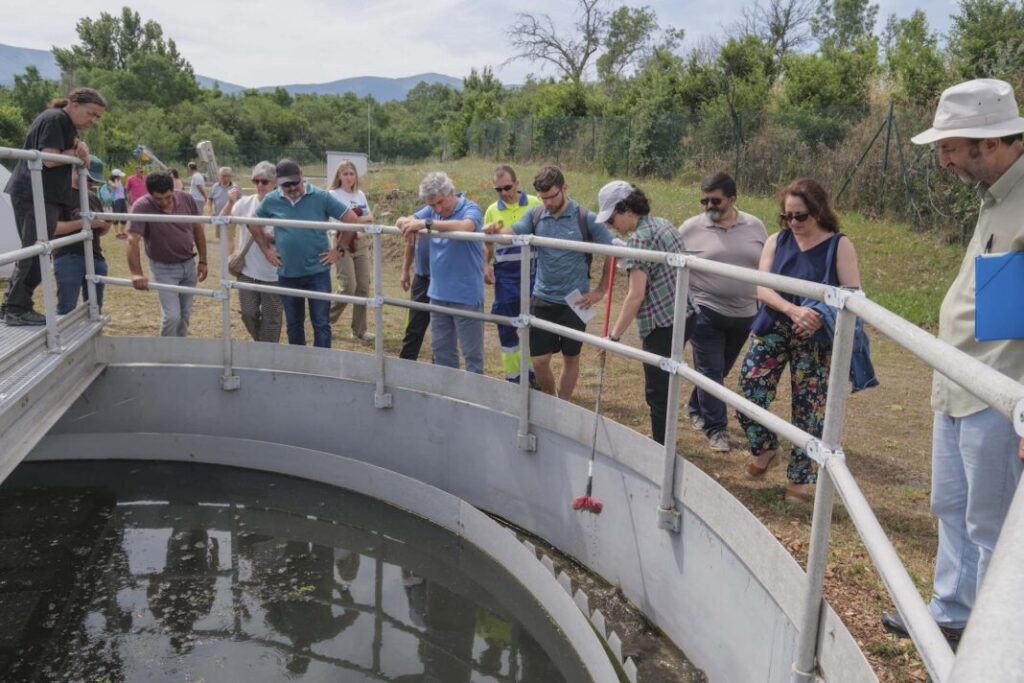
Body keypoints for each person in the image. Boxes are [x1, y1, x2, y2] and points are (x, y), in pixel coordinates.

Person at [880, 78, 1024, 645]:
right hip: (958, 380)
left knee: (991, 522)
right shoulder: (997, 197)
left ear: (987, 144)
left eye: (948, 147)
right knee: (952, 504)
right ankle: (952, 609)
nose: (942, 161)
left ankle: (994, 640)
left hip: (999, 391)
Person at [737, 178, 861, 503]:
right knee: (750, 389)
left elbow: (852, 294)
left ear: (818, 211)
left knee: (810, 408)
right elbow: (762, 287)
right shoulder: (777, 241)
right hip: (775, 325)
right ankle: (764, 450)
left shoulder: (839, 245)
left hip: (815, 336)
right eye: (787, 216)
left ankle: (800, 480)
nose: (793, 223)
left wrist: (820, 314)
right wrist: (792, 310)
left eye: (800, 216)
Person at [485, 165, 615, 401]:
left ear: (565, 188)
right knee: (540, 361)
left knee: (571, 357)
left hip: (576, 301)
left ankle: (561, 405)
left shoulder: (586, 218)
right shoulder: (536, 215)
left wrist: (600, 290)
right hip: (542, 297)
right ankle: (550, 400)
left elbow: (613, 249)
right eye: (543, 198)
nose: (548, 203)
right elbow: (511, 233)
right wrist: (496, 231)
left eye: (553, 197)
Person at [679, 172, 767, 452]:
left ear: (732, 199)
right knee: (710, 371)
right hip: (705, 311)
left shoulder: (755, 227)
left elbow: (766, 267)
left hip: (745, 314)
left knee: (718, 372)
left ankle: (695, 406)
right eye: (703, 200)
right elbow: (674, 268)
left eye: (715, 200)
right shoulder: (690, 228)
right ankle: (716, 429)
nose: (708, 206)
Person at [2, 87, 105, 326]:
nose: (93, 121)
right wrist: (79, 155)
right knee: (37, 251)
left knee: (35, 251)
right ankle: (17, 308)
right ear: (74, 104)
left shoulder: (62, 122)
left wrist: (80, 147)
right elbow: (48, 159)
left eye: (97, 117)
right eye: (91, 114)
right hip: (35, 194)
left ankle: (11, 305)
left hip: (39, 194)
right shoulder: (57, 118)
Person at [597, 181, 688, 445]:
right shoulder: (663, 224)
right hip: (683, 314)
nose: (612, 224)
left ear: (625, 209)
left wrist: (613, 337)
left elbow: (635, 295)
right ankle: (665, 443)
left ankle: (662, 451)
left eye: (612, 217)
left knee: (658, 393)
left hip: (662, 323)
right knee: (666, 388)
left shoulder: (639, 238)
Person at [251, 159, 360, 349]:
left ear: (302, 175)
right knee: (293, 325)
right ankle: (299, 366)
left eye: (295, 182)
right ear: (277, 182)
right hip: (287, 273)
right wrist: (267, 250)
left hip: (317, 272)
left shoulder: (321, 196)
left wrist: (339, 250)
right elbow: (252, 223)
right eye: (286, 185)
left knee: (321, 324)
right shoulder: (272, 200)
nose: (292, 188)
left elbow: (351, 219)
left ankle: (321, 367)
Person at [397, 172, 485, 373]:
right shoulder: (431, 210)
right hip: (437, 296)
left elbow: (466, 226)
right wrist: (406, 223)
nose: (437, 209)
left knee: (472, 356)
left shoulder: (471, 208)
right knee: (442, 353)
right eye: (432, 205)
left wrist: (426, 224)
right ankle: (448, 399)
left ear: (451, 192)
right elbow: (403, 220)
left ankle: (476, 401)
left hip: (466, 297)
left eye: (440, 203)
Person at [126, 171, 208, 337]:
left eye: (168, 197)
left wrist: (203, 261)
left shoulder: (187, 199)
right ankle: (164, 354)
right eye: (158, 199)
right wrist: (136, 273)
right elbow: (132, 239)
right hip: (163, 268)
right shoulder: (142, 206)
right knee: (171, 317)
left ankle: (178, 352)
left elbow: (197, 229)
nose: (164, 202)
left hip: (188, 264)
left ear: (173, 190)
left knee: (184, 316)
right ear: (150, 194)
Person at [483, 164, 541, 384]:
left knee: (531, 325)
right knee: (505, 323)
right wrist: (485, 265)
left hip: (533, 274)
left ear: (517, 183)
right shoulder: (491, 210)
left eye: (507, 187)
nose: (504, 193)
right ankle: (514, 375)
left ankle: (532, 373)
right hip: (505, 277)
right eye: (498, 189)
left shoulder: (536, 204)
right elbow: (487, 245)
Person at [221, 161, 282, 343]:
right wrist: (230, 202)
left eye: (264, 181)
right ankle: (263, 346)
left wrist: (260, 232)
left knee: (272, 319)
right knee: (248, 313)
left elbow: (286, 237)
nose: (259, 185)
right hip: (247, 271)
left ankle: (267, 354)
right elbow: (222, 222)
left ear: (275, 183)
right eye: (256, 181)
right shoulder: (245, 203)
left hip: (273, 274)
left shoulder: (283, 207)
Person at [52, 154, 110, 314]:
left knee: (95, 307)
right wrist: (87, 223)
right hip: (68, 255)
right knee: (67, 307)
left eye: (95, 182)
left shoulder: (92, 197)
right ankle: (64, 338)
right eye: (90, 179)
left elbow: (103, 230)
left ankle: (93, 334)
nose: (92, 184)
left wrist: (105, 225)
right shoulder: (60, 194)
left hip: (95, 256)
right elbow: (54, 228)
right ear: (77, 171)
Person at [327, 160, 376, 343]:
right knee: (348, 287)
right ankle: (324, 321)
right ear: (339, 176)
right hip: (341, 242)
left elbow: (370, 218)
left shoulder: (360, 194)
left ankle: (359, 330)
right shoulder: (332, 195)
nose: (349, 177)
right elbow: (339, 222)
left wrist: (358, 220)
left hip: (361, 243)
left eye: (351, 173)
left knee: (363, 286)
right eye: (345, 174)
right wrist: (359, 220)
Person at [399, 227, 431, 361]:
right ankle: (404, 367)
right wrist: (405, 270)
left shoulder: (460, 211)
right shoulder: (425, 213)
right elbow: (410, 240)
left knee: (442, 332)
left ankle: (441, 371)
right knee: (414, 327)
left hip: (445, 281)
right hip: (422, 277)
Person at [109, 169, 127, 239]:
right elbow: (115, 187)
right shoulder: (111, 181)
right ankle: (117, 233)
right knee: (116, 216)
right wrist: (116, 180)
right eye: (119, 175)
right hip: (116, 200)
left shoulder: (119, 181)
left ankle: (122, 231)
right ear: (116, 176)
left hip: (122, 199)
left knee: (125, 215)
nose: (120, 177)